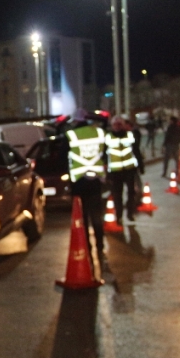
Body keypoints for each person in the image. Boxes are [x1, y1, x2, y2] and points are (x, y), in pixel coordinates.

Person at [66, 108, 107, 266]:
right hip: (95, 181)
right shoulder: (98, 133)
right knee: (97, 217)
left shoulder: (70, 135)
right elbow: (105, 151)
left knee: (82, 219)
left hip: (79, 182)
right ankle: (100, 245)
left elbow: (63, 156)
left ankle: (86, 247)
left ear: (75, 121)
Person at [105, 115, 144, 224]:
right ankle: (119, 216)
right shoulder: (108, 138)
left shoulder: (129, 135)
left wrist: (141, 167)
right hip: (115, 171)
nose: (117, 126)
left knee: (131, 193)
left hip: (129, 170)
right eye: (115, 124)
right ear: (112, 126)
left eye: (119, 124)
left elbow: (136, 151)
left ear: (122, 125)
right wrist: (105, 172)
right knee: (117, 195)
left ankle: (130, 213)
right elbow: (104, 155)